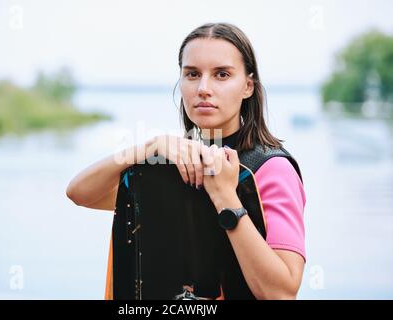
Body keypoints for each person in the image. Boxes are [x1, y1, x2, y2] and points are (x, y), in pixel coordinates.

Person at [66, 22, 306, 300]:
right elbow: (80, 193)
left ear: (248, 86)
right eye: (192, 74)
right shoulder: (173, 163)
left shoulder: (271, 168)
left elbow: (281, 293)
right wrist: (150, 146)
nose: (203, 88)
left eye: (222, 74)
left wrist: (226, 198)